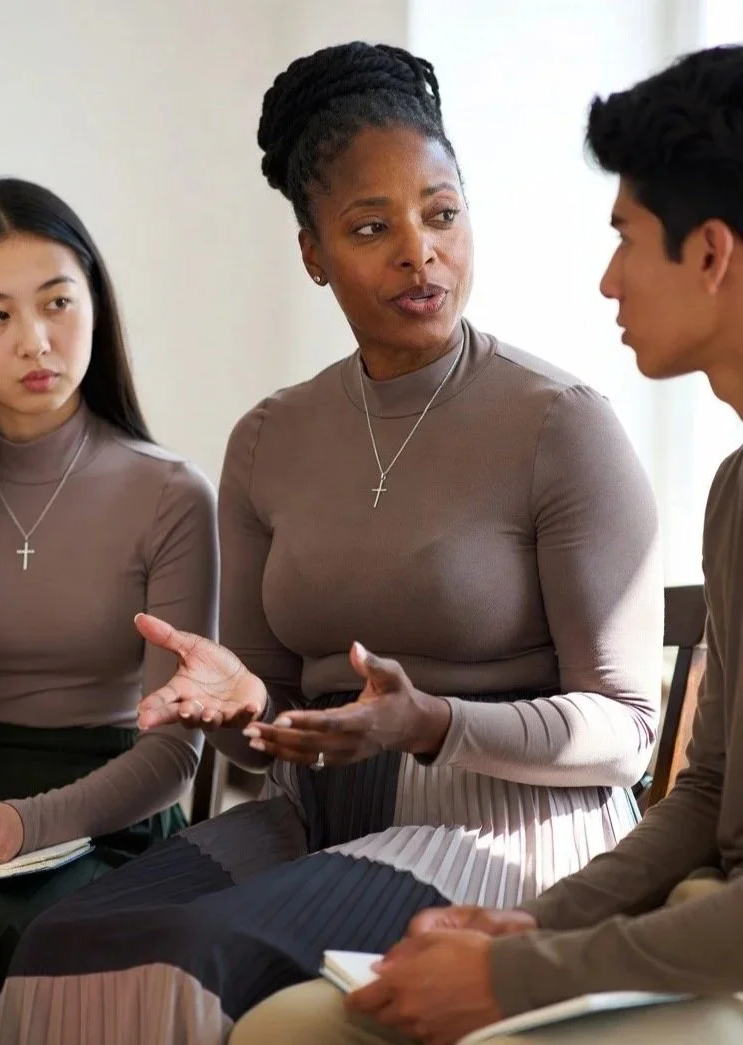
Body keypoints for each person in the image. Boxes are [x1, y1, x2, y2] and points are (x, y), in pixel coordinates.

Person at [0, 43, 661, 1045]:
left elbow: (626, 726)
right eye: (368, 227)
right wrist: (240, 704)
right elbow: (266, 724)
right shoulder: (268, 440)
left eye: (441, 213)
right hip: (319, 814)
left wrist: (430, 721)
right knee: (61, 938)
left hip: (505, 827)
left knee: (193, 951)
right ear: (312, 253)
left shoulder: (560, 424)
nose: (418, 253)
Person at [229, 42, 743, 1045]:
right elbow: (708, 791)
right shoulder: (732, 492)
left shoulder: (561, 421)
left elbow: (628, 732)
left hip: (708, 951)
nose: (604, 281)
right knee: (287, 1026)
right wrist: (531, 926)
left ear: (712, 255)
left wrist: (520, 970)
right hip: (690, 919)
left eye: (625, 239)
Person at [0, 177, 218, 1045]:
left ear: (95, 306)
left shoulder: (170, 494)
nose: (35, 340)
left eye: (58, 303)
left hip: (106, 818)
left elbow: (175, 755)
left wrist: (31, 822)